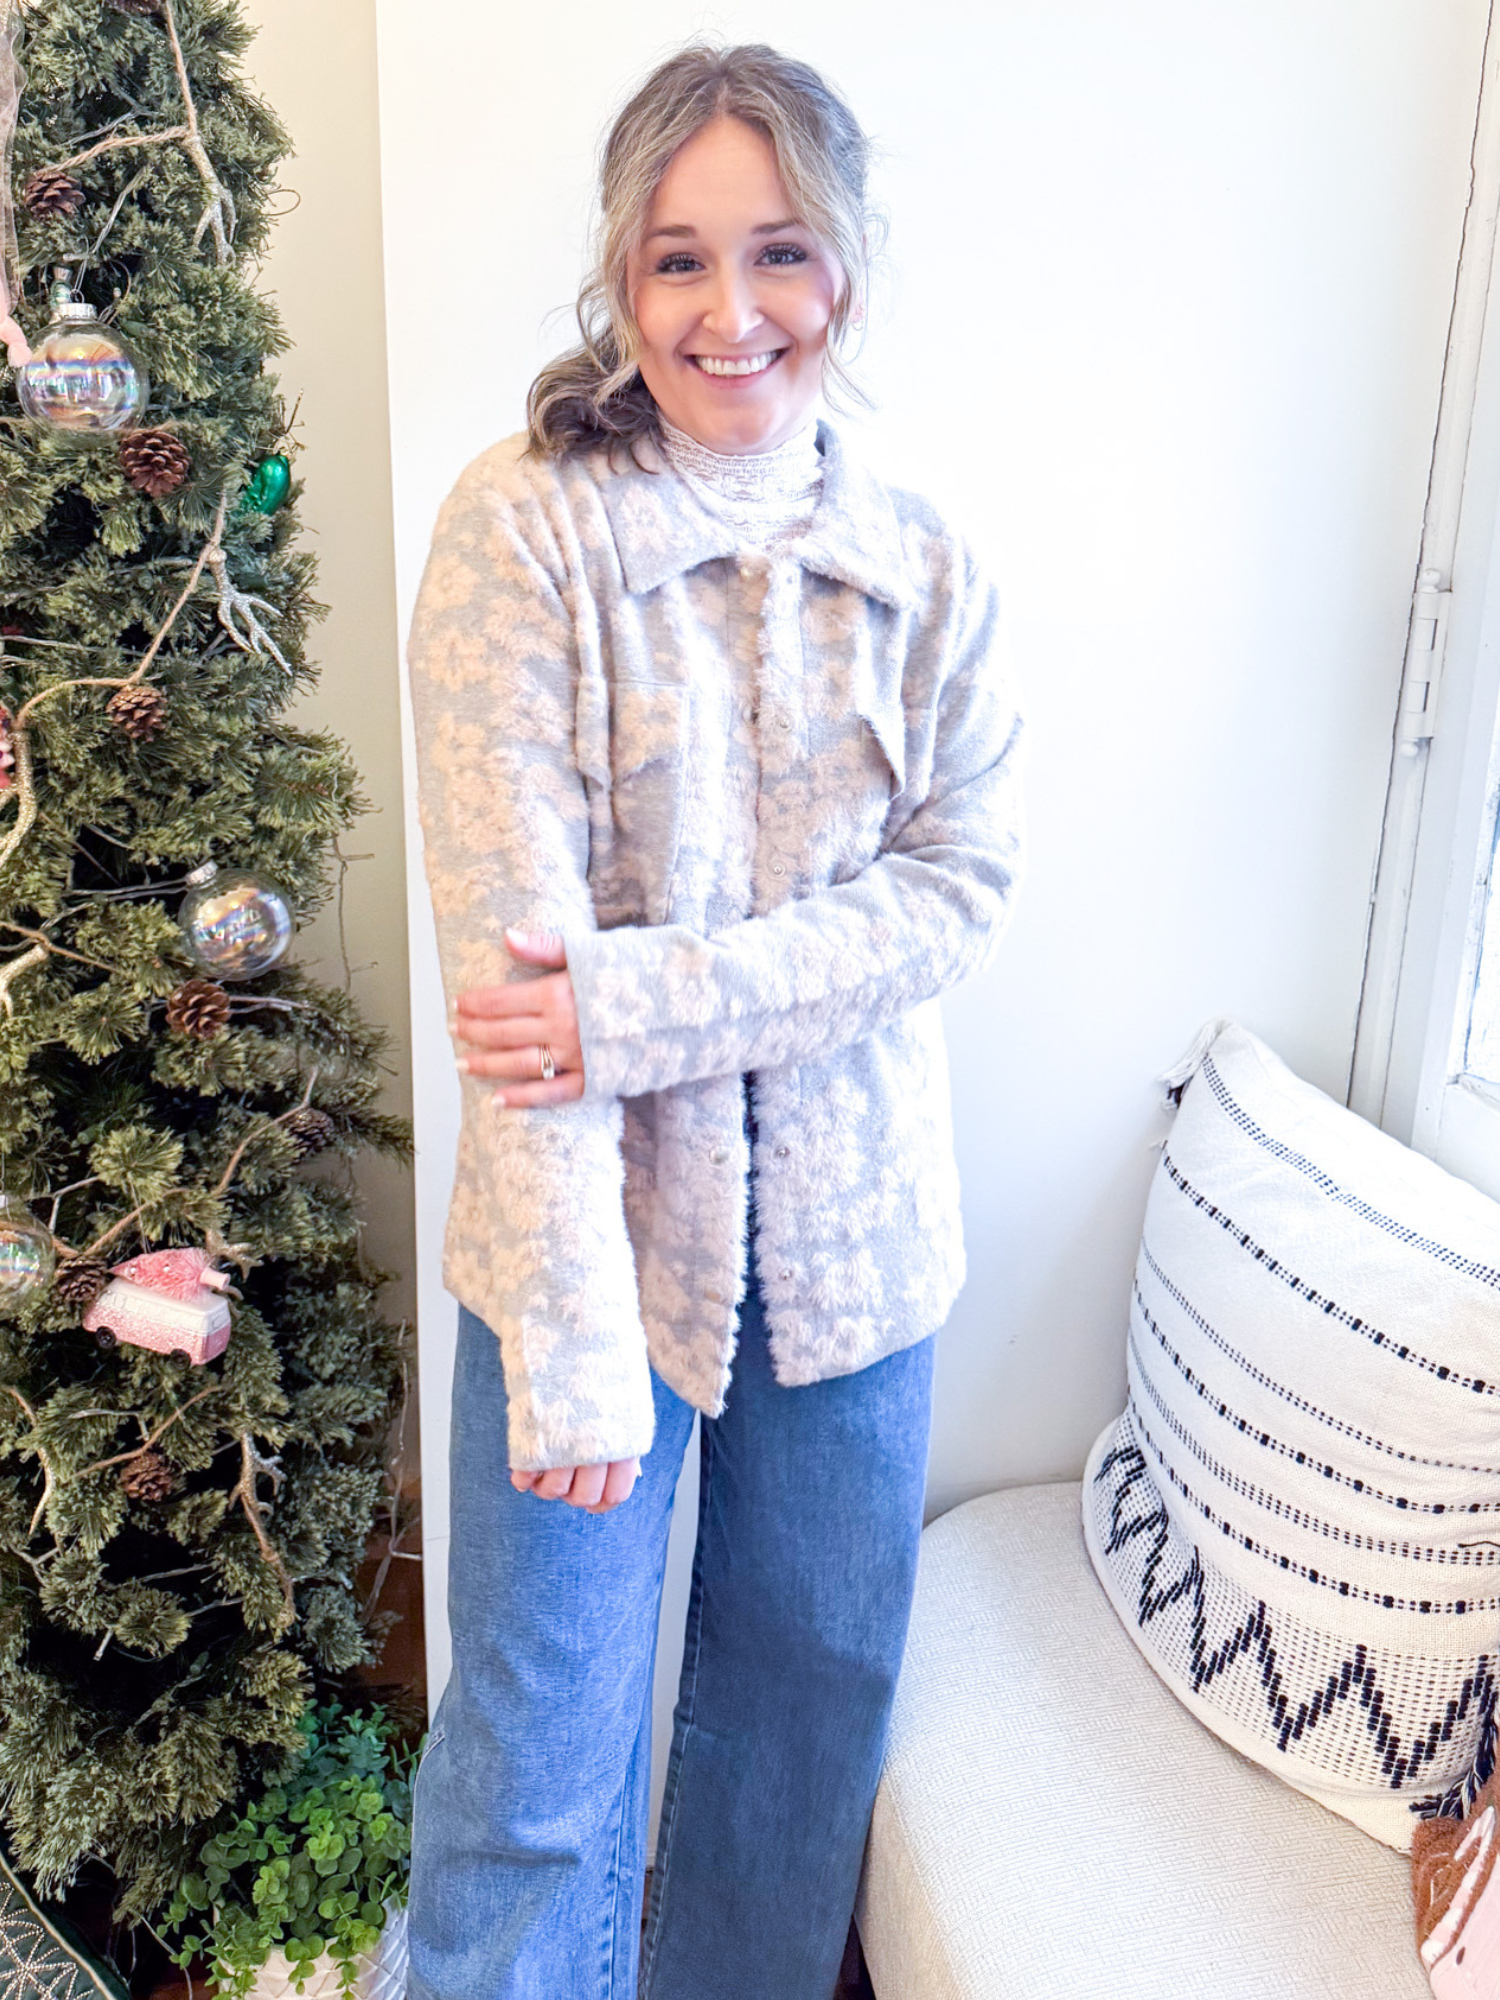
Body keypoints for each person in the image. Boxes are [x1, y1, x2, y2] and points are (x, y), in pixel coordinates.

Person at [403, 40, 1025, 2000]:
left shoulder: (926, 564)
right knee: (533, 1774)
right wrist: (577, 1351)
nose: (729, 311)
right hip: (582, 1253)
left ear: (845, 266)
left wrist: (642, 1001)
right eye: (679, 258)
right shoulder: (523, 529)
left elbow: (960, 886)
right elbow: (521, 999)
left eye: (778, 252)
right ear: (622, 273)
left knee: (798, 1743)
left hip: (862, 1259)